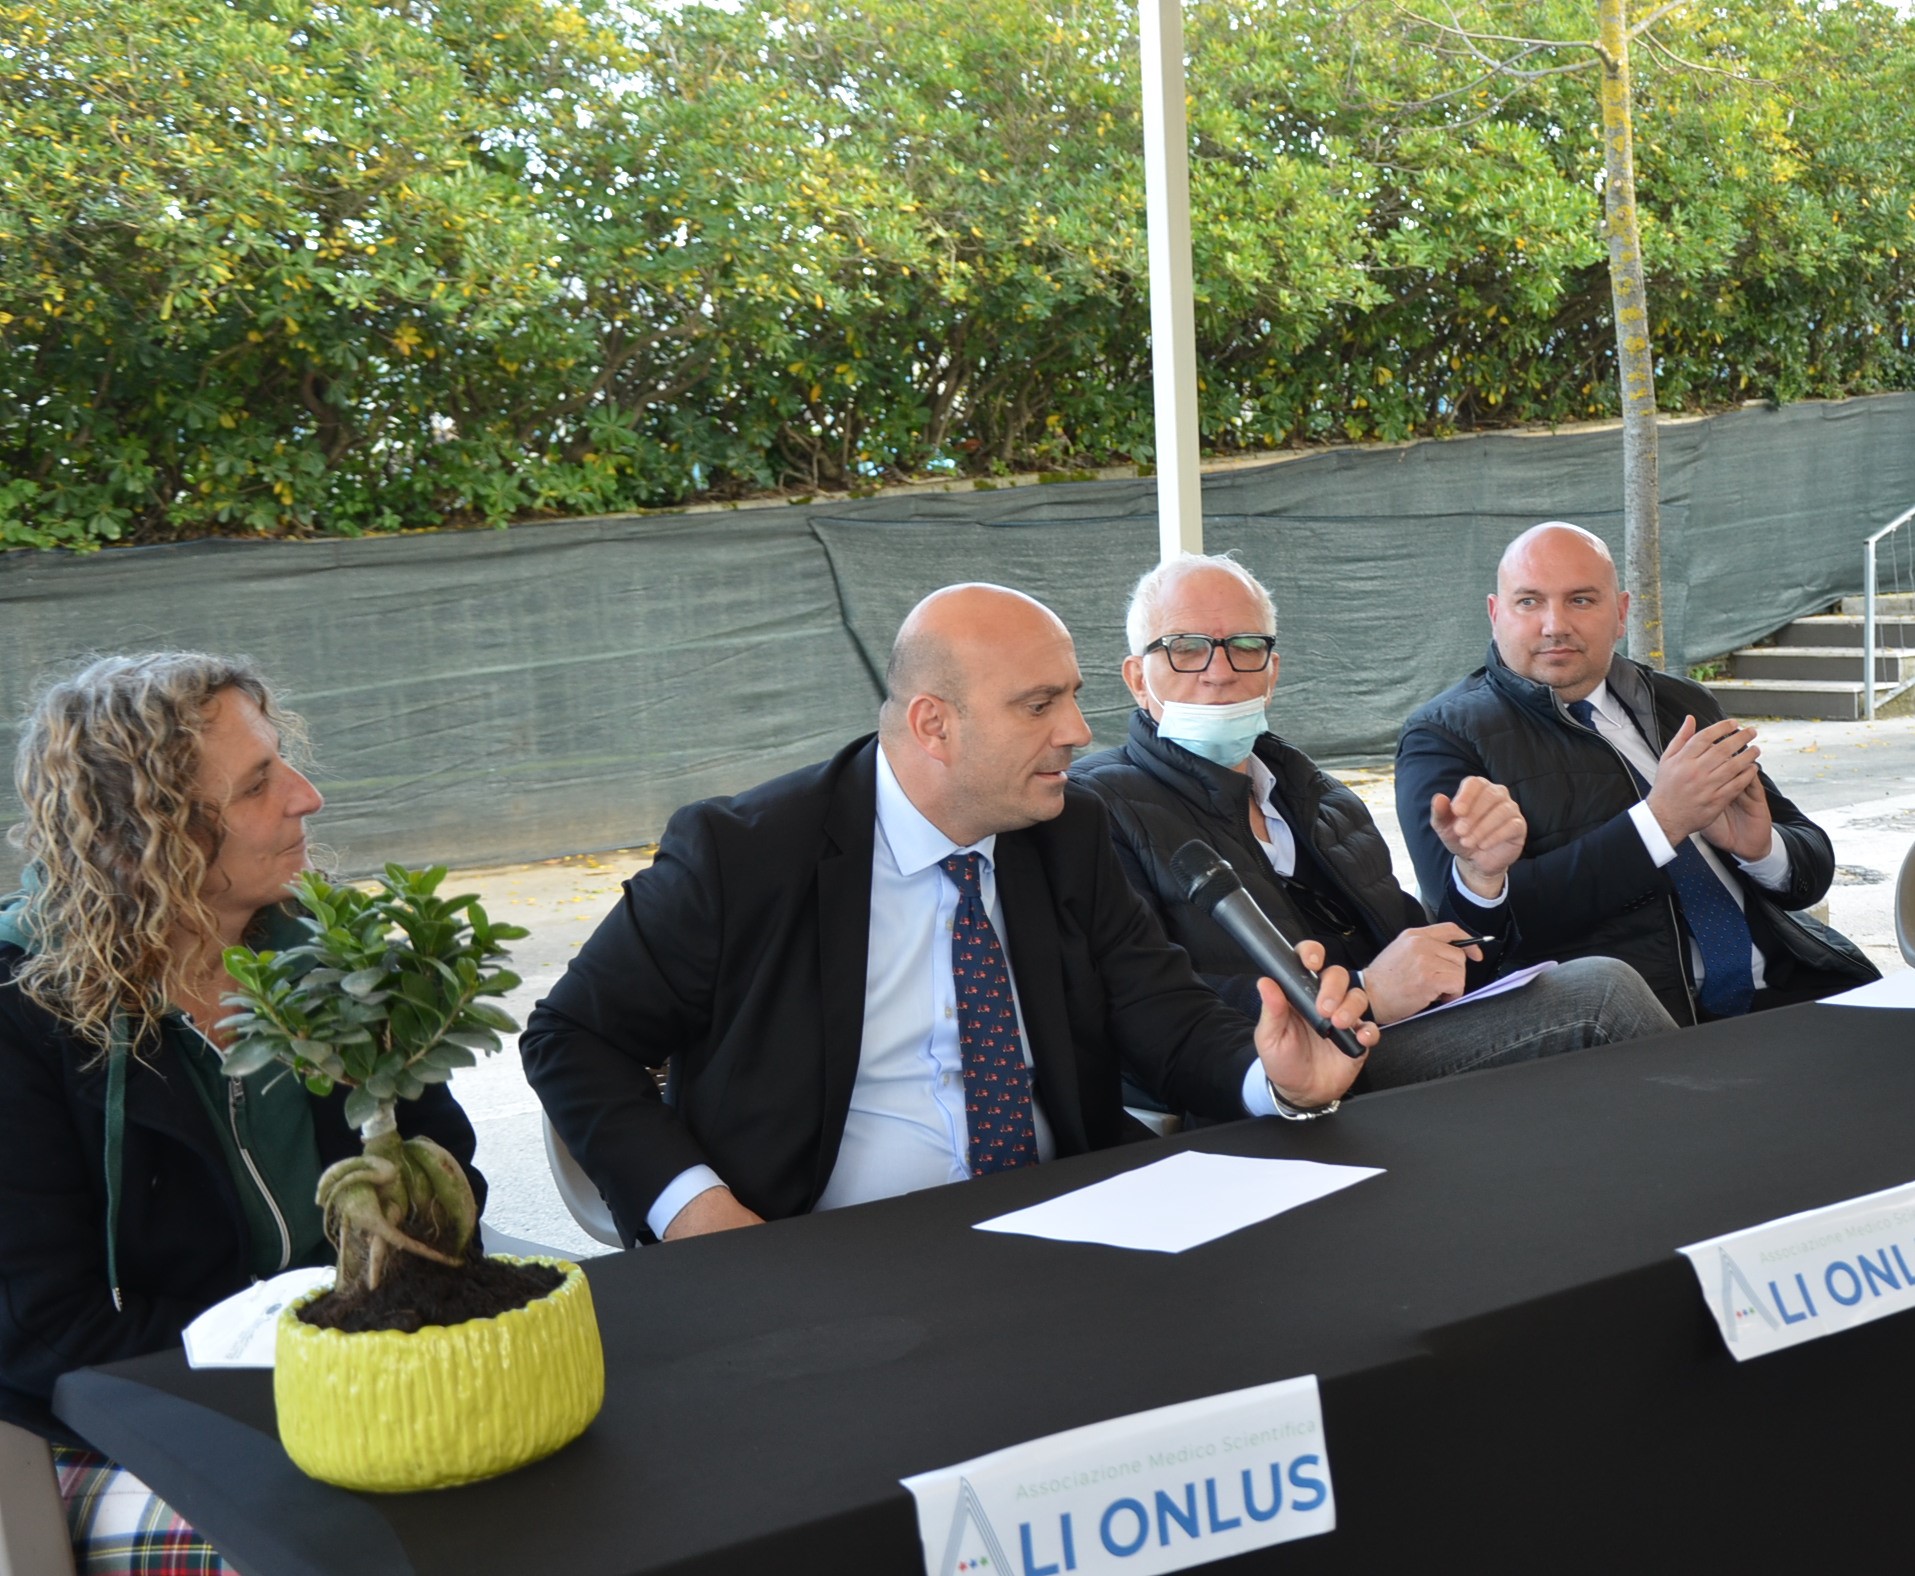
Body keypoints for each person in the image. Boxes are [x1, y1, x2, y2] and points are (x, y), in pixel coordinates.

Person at [522, 584, 1378, 1244]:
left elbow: (1162, 1014)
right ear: (933, 725)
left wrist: (1272, 1079)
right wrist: (695, 1211)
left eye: (1072, 696)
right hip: (818, 1249)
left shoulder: (1068, 831)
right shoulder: (742, 854)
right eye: (1038, 705)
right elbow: (572, 1038)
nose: (1077, 731)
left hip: (1066, 1226)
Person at [0, 653, 485, 1574]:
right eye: (257, 784)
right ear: (142, 836)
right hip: (124, 1435)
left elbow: (448, 1178)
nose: (307, 798)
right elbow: (44, 1334)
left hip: (365, 1385)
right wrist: (315, 1346)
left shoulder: (338, 962)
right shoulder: (22, 1016)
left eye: (282, 763)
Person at [1072, 553, 1674, 1094]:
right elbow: (1147, 1004)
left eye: (1245, 646)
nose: (1219, 670)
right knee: (1600, 994)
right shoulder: (1099, 807)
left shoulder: (1322, 798)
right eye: (1185, 648)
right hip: (1272, 1076)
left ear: (1272, 671)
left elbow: (1433, 963)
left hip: (1395, 1042)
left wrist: (1480, 879)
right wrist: (1364, 992)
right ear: (1137, 679)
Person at [1396, 522, 1877, 1023]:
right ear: (1496, 614)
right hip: (1634, 1024)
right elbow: (1471, 938)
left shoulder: (1680, 702)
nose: (1555, 624)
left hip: (1795, 981)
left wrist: (1761, 850)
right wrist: (1661, 822)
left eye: (1581, 600)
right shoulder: (1442, 736)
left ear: (1621, 613)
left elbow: (1810, 869)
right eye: (1529, 602)